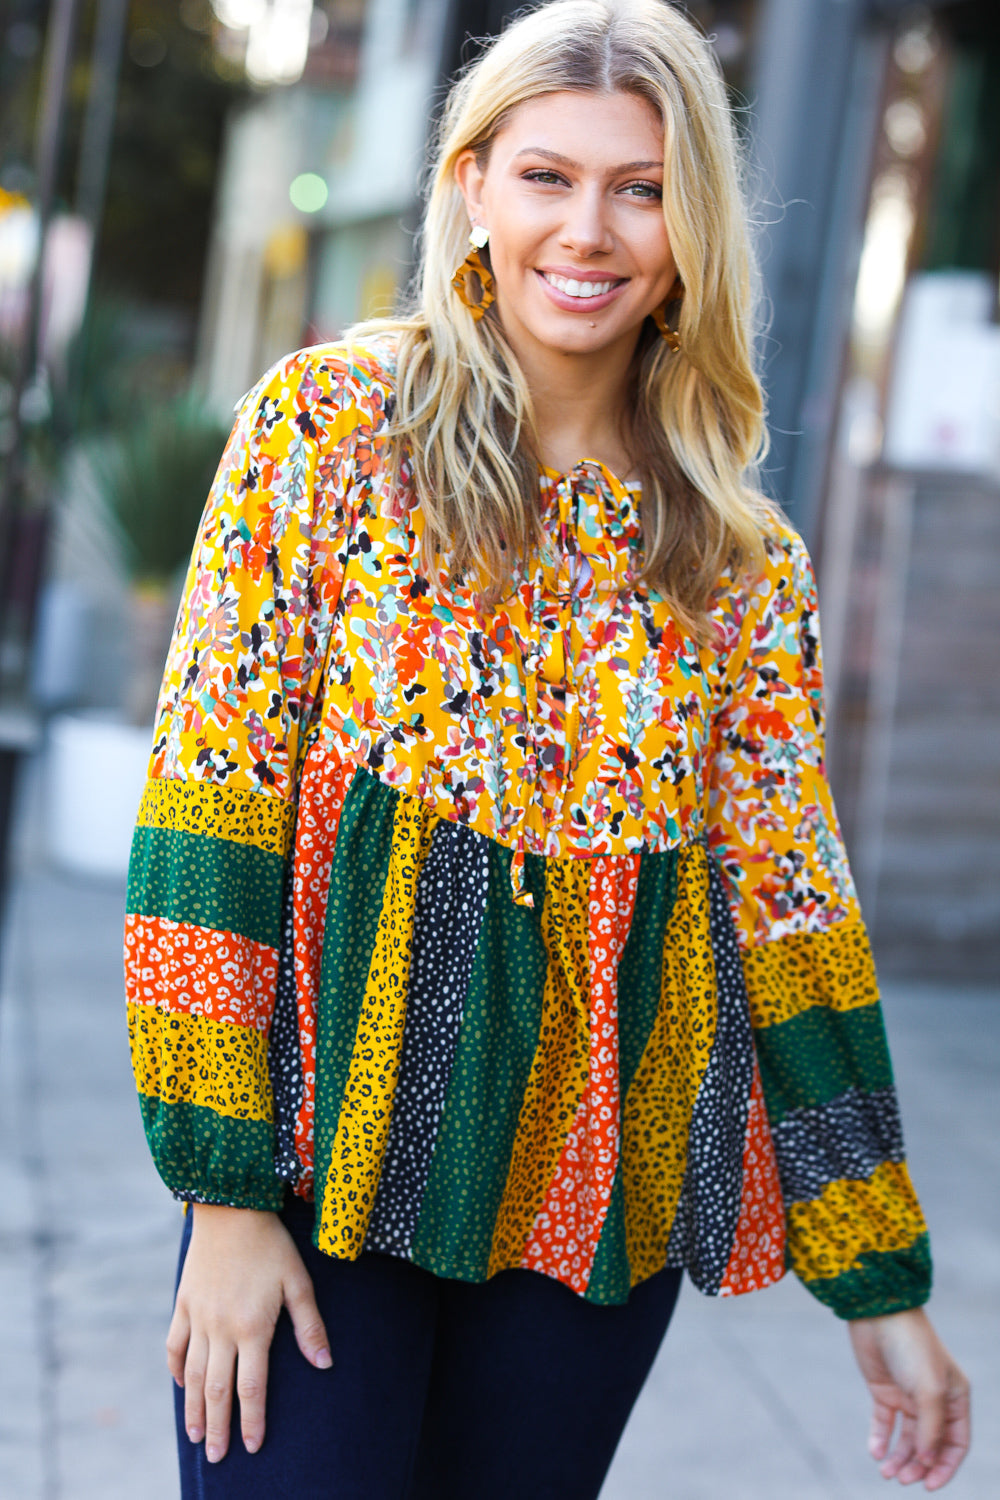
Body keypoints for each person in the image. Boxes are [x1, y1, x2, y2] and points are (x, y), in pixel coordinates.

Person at [124, 1, 971, 1495]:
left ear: (692, 231)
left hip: (592, 1217)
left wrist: (878, 1278)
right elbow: (212, 815)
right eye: (547, 177)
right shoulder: (329, 436)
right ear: (471, 187)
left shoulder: (740, 561)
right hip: (322, 1174)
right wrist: (224, 1202)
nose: (590, 230)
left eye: (641, 189)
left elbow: (794, 916)